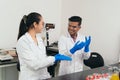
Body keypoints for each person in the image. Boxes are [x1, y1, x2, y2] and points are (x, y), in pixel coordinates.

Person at [16, 12, 72, 80]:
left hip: (43, 77)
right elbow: (34, 64)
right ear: (35, 24)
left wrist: (48, 76)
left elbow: (43, 60)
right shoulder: (23, 41)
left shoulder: (39, 39)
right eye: (42, 24)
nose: (43, 26)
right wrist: (54, 58)